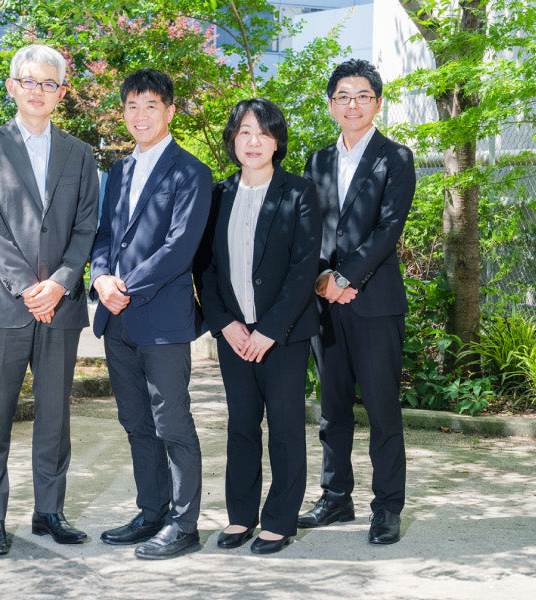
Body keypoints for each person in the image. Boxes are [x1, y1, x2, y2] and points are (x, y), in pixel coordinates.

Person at [0, 44, 100, 556]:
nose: (38, 91)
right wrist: (27, 288)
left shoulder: (80, 153)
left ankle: (49, 512)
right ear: (12, 87)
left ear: (61, 92)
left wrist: (60, 283)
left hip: (61, 305)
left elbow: (86, 226)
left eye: (49, 83)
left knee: (55, 416)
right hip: (3, 304)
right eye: (29, 81)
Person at [88, 68, 213, 560]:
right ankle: (151, 512)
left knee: (172, 424)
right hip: (116, 319)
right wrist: (101, 278)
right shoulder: (118, 171)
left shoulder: (190, 172)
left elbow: (179, 247)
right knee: (136, 423)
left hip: (162, 320)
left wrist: (124, 287)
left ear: (170, 111)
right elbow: (104, 235)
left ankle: (184, 525)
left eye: (151, 106)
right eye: (132, 106)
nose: (140, 115)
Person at [297, 59, 416, 546]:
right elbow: (308, 228)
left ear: (377, 103)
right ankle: (335, 497)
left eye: (363, 95)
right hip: (326, 303)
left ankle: (387, 506)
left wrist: (346, 277)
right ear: (331, 104)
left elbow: (389, 229)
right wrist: (323, 278)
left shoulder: (396, 158)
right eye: (343, 96)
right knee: (332, 408)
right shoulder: (318, 161)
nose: (353, 104)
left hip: (375, 302)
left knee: (383, 409)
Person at [196, 99, 322, 556]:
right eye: (245, 132)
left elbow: (304, 268)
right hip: (234, 334)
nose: (253, 142)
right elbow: (204, 268)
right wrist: (225, 324)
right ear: (233, 139)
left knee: (285, 426)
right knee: (242, 425)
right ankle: (240, 515)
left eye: (264, 133)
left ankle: (279, 521)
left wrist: (269, 330)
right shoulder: (217, 194)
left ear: (276, 141)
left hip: (283, 335)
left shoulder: (299, 193)